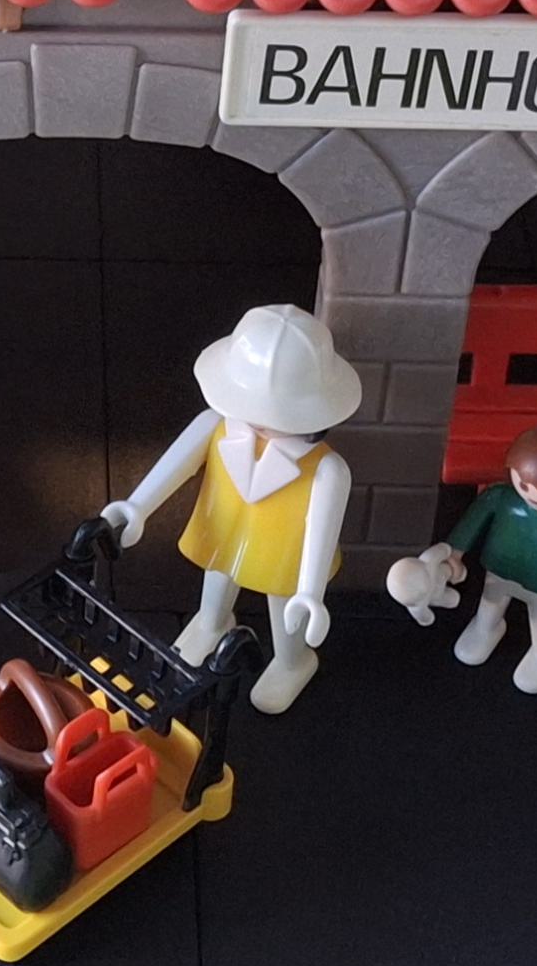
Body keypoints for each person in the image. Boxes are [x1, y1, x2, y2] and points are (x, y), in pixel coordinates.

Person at [102, 304, 359, 716]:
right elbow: (177, 463)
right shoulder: (216, 425)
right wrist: (138, 506)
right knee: (218, 577)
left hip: (285, 553)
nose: (257, 419)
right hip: (224, 531)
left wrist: (310, 592)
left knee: (286, 608)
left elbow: (322, 531)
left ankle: (292, 661)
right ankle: (212, 623)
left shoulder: (327, 469)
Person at [387, 424, 537, 692]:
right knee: (489, 607)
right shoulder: (499, 497)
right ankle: (486, 629)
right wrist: (454, 553)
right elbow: (471, 523)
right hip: (500, 570)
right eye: (525, 485)